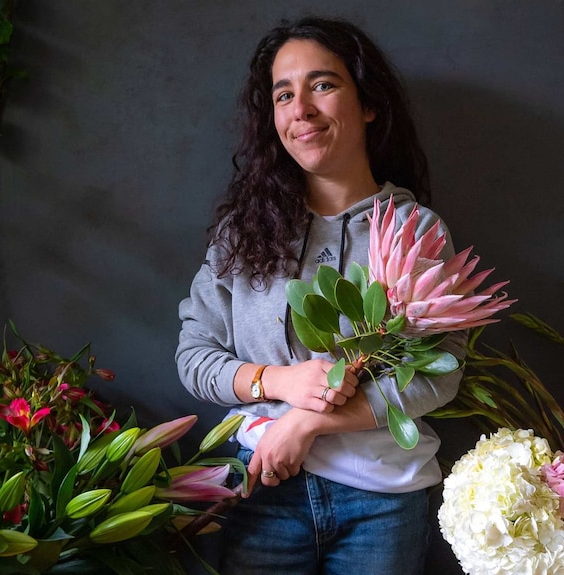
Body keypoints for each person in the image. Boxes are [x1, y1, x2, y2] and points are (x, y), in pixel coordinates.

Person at [176, 16, 465, 575]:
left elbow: (441, 370)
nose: (301, 108)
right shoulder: (245, 232)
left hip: (383, 504)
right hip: (262, 494)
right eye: (284, 94)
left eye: (323, 85)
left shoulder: (416, 231)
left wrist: (305, 423)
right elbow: (193, 356)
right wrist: (281, 383)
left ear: (369, 104)